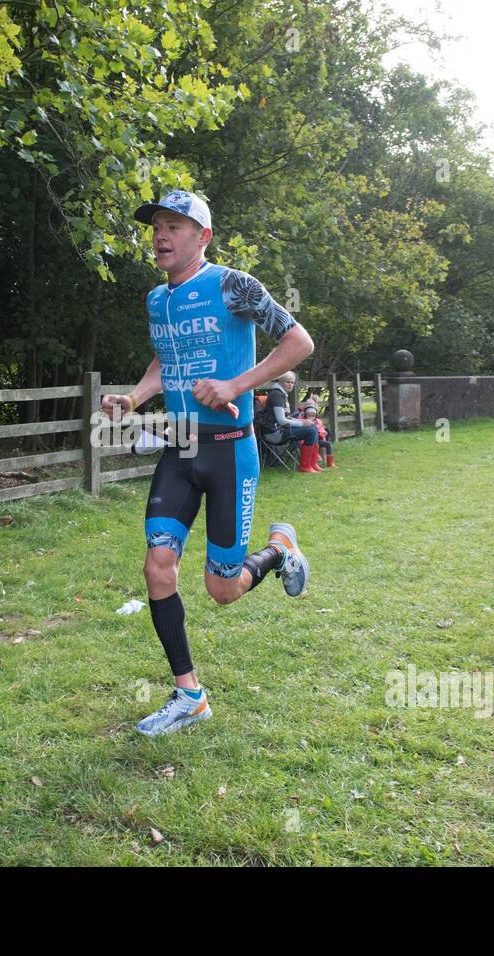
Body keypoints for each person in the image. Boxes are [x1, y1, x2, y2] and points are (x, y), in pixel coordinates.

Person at [101, 189, 316, 737]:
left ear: (204, 236)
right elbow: (164, 357)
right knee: (157, 567)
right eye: (157, 226)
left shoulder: (233, 285)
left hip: (230, 452)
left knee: (222, 589)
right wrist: (135, 398)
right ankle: (189, 696)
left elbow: (299, 342)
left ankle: (279, 550)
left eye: (175, 225)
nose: (161, 235)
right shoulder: (158, 300)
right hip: (181, 450)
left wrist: (236, 385)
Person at [267, 371, 322, 472]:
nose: (290, 384)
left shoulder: (282, 394)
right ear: (281, 382)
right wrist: (302, 423)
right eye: (287, 382)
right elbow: (281, 420)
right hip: (274, 433)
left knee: (313, 427)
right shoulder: (277, 395)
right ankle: (305, 466)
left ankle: (312, 464)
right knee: (310, 431)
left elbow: (286, 418)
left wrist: (303, 421)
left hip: (281, 429)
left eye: (292, 382)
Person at [301, 399, 335, 468]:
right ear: (306, 415)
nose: (311, 417)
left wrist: (323, 432)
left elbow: (321, 428)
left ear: (315, 415)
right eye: (309, 415)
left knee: (328, 444)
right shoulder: (304, 422)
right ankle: (314, 460)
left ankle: (330, 463)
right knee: (315, 443)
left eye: (313, 415)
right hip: (309, 441)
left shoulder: (318, 422)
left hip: (318, 440)